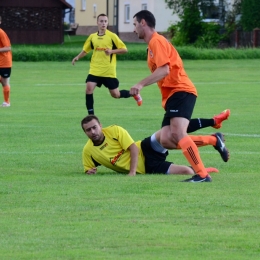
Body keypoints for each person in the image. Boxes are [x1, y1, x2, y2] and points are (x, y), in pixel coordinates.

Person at [129, 10, 229, 182]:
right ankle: (214, 140)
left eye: (134, 24)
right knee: (167, 139)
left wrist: (140, 84)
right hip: (172, 95)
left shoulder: (157, 41)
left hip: (180, 90)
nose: (133, 29)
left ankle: (202, 175)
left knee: (178, 133)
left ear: (143, 22)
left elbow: (164, 70)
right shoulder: (152, 45)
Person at [81, 113, 229, 178]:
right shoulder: (89, 151)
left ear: (100, 125)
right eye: (88, 130)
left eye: (95, 127)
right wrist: (90, 172)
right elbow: (89, 169)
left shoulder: (114, 130)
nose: (93, 132)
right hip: (149, 168)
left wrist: (132, 172)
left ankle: (213, 126)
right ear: (85, 132)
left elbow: (133, 148)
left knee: (171, 131)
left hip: (145, 148)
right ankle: (202, 168)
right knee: (187, 172)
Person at [72, 13, 142, 115]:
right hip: (95, 70)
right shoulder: (92, 37)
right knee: (88, 89)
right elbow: (86, 50)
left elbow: (124, 49)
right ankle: (91, 115)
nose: (103, 23)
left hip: (108, 71)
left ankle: (134, 94)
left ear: (107, 23)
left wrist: (112, 51)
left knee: (116, 95)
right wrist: (77, 57)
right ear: (97, 23)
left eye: (105, 21)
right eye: (101, 21)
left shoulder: (112, 36)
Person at [0, 16, 12, 107]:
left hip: (4, 62)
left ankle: (7, 102)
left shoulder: (1, 32)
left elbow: (8, 48)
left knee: (4, 82)